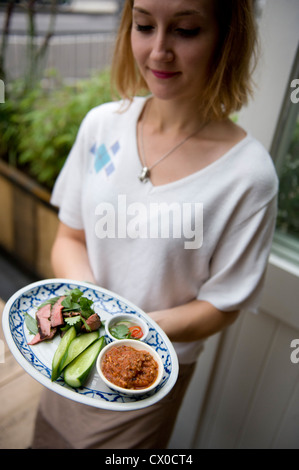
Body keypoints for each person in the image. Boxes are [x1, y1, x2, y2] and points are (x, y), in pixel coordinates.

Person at [32, 0, 278, 449]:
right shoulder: (102, 127)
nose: (159, 50)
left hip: (148, 373)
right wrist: (93, 308)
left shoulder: (248, 176)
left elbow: (223, 304)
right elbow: (70, 236)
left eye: (185, 31)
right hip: (71, 347)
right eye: (144, 25)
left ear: (226, 38)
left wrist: (132, 327)